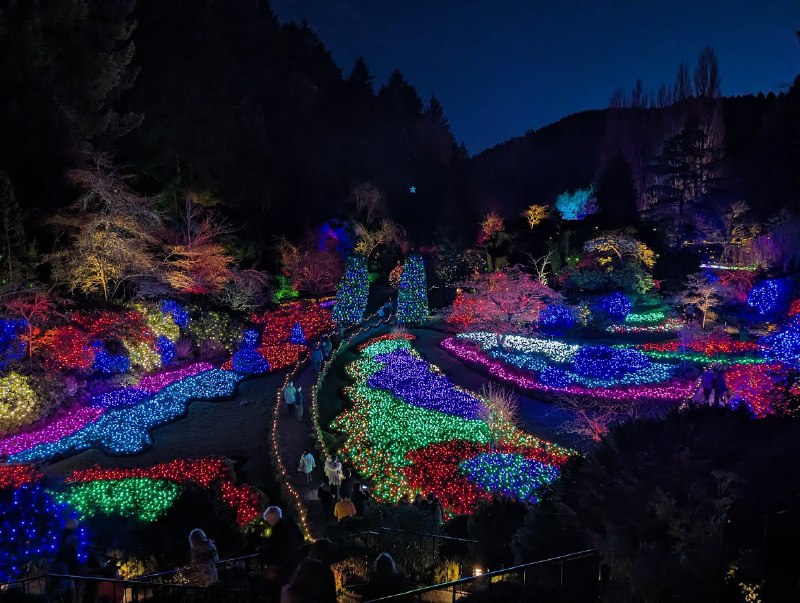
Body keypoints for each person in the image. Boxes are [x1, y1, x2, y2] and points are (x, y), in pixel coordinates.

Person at [261, 507, 303, 588]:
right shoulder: (288, 526)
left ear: (272, 517)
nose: (268, 522)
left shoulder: (279, 529)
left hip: (283, 565)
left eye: (268, 520)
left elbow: (276, 547)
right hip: (292, 562)